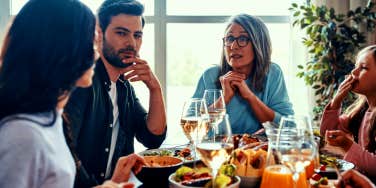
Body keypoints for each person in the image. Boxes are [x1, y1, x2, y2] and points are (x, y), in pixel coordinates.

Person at [0, 0, 144, 188]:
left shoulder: (50, 118)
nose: (96, 54)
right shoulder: (22, 136)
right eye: (91, 42)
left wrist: (112, 183)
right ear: (62, 49)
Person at [63, 0, 167, 186]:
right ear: (99, 34)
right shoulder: (83, 82)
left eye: (137, 35)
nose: (131, 43)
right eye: (121, 33)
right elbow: (65, 154)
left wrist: (155, 88)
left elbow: (153, 138)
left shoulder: (123, 86)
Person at [192, 14, 293, 134]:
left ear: (258, 43)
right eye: (229, 39)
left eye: (242, 39)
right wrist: (224, 98)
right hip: (216, 151)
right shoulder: (209, 75)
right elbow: (193, 130)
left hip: (258, 151)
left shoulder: (272, 73)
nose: (233, 46)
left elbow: (288, 128)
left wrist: (250, 97)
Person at [320, 45, 376, 181]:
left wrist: (348, 145)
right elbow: (327, 132)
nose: (354, 72)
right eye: (355, 66)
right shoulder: (361, 111)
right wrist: (337, 99)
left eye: (363, 68)